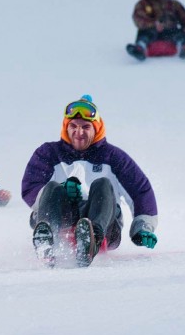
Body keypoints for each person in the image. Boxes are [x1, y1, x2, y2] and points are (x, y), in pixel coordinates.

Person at [21, 95, 158, 268]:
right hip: (63, 216)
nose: (79, 133)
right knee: (52, 187)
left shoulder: (114, 157)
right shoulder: (48, 153)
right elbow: (31, 186)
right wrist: (63, 189)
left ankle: (91, 239)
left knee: (103, 184)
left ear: (97, 128)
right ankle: (46, 242)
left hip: (104, 223)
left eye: (86, 127)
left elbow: (140, 191)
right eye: (73, 126)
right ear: (66, 127)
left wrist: (143, 227)